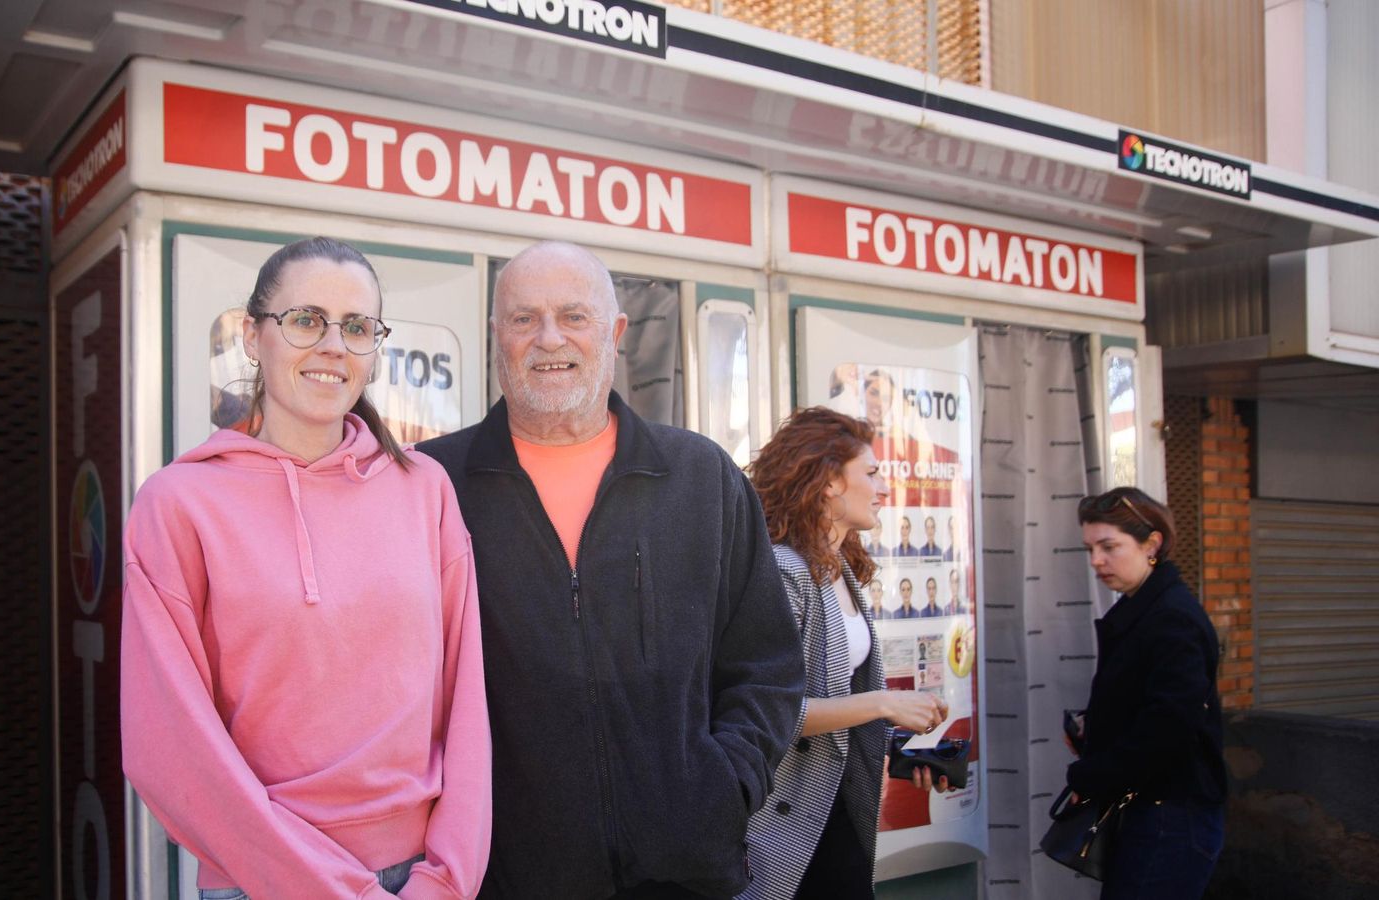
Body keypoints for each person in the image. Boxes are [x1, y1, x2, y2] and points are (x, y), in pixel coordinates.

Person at [418, 241, 803, 900]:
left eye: (574, 316)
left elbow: (765, 665)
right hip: (498, 880)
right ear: (495, 336)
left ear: (617, 333)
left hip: (683, 877)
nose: (548, 339)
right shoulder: (431, 484)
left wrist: (722, 788)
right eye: (523, 319)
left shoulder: (701, 476)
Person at [120, 238, 492, 899]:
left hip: (420, 881)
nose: (333, 346)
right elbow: (170, 745)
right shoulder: (178, 504)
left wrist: (448, 878)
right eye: (305, 320)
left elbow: (466, 696)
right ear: (251, 335)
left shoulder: (424, 488)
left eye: (356, 328)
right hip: (260, 880)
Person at [742, 406, 949, 900]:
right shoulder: (785, 570)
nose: (884, 488)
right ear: (830, 482)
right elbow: (768, 715)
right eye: (873, 473)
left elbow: (837, 699)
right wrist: (884, 704)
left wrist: (898, 750)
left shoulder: (840, 571)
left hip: (836, 809)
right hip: (782, 823)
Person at [1065, 487, 1225, 900]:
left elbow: (1169, 727)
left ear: (1152, 543)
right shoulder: (1144, 609)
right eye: (1090, 548)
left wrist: (1092, 772)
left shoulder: (1172, 617)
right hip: (1150, 812)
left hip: (1169, 818)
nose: (1097, 561)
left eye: (1109, 546)